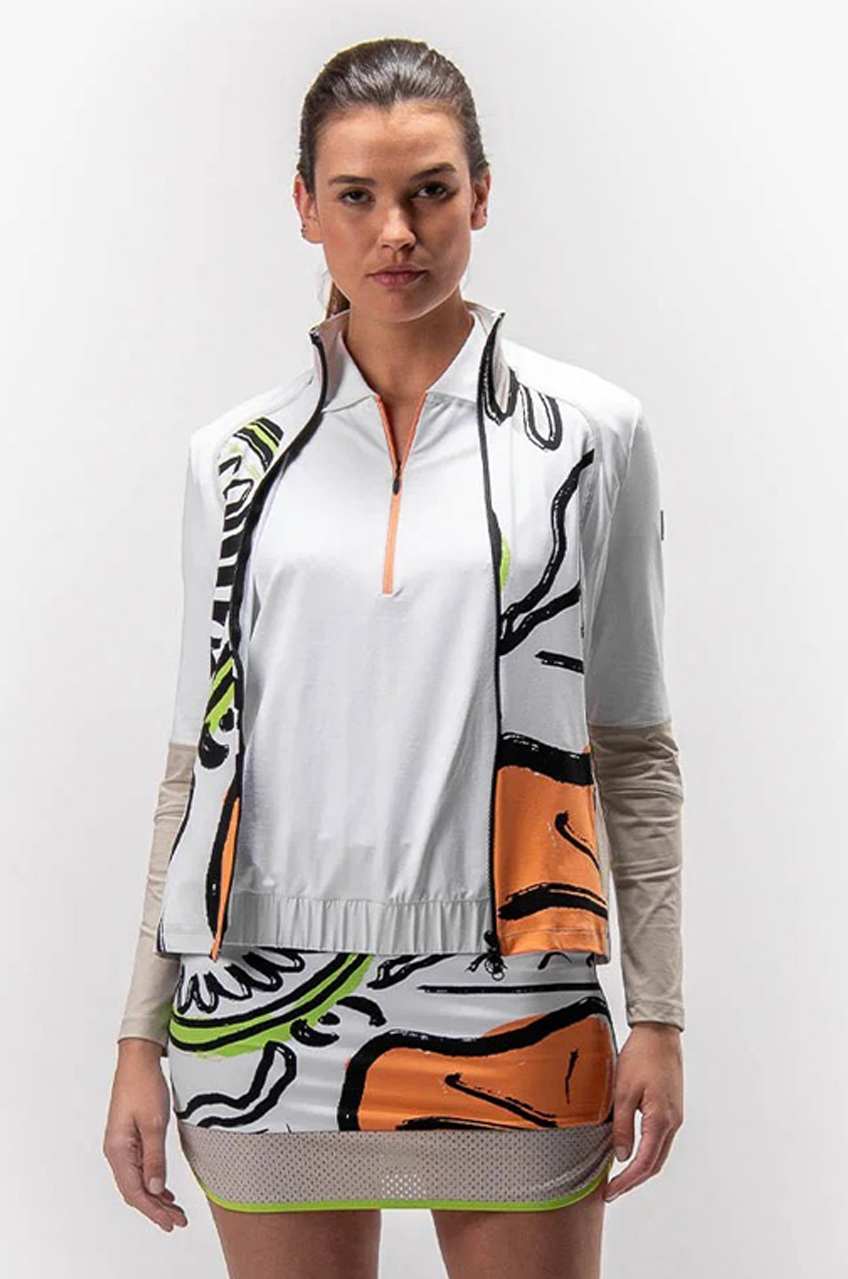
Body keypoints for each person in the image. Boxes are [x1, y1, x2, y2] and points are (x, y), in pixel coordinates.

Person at [103, 36, 685, 1279]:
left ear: (482, 194)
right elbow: (194, 769)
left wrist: (660, 1014)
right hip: (254, 1006)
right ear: (304, 205)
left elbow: (632, 752)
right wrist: (137, 1039)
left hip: (519, 997)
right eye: (356, 195)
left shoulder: (589, 438)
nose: (396, 232)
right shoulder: (233, 460)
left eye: (429, 190)